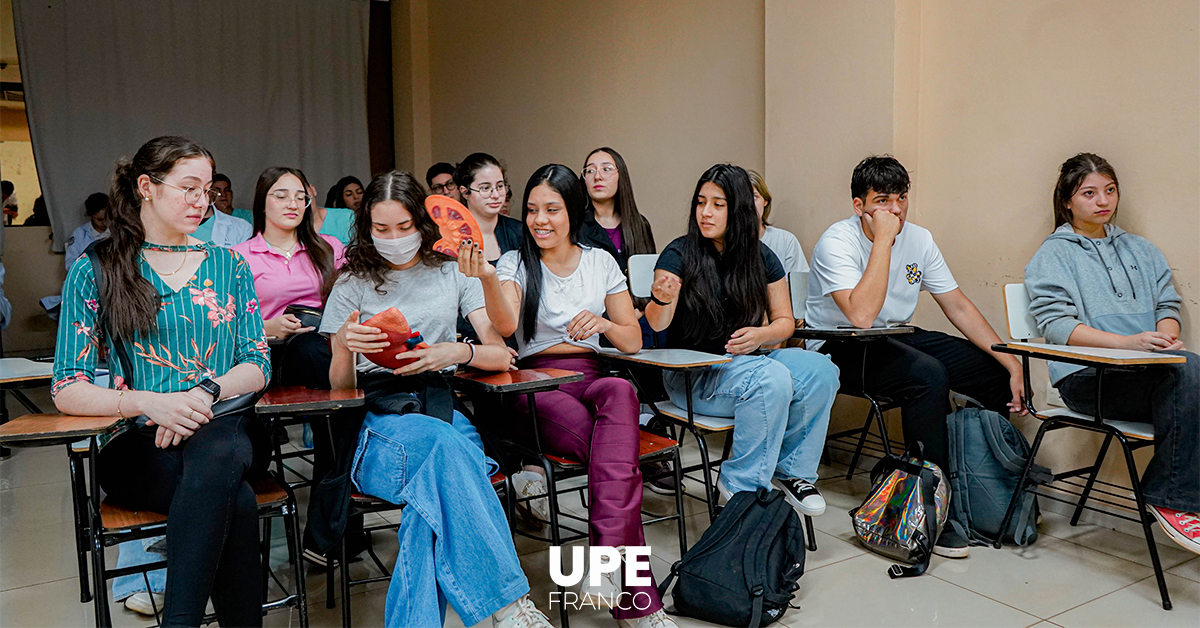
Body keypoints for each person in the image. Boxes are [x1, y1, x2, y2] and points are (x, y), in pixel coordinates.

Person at [52, 135, 271, 627]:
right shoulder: (99, 268)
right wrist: (150, 403)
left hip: (225, 423)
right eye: (188, 188)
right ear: (147, 187)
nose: (202, 201)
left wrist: (201, 394)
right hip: (139, 442)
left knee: (216, 452)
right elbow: (67, 386)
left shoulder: (228, 263)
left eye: (208, 190)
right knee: (231, 498)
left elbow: (257, 361)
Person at [319, 169, 551, 627]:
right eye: (381, 229)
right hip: (377, 418)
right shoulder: (352, 284)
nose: (394, 238)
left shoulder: (451, 272)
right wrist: (345, 345)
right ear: (366, 229)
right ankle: (509, 605)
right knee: (449, 453)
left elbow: (498, 349)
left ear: (421, 224)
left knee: (430, 503)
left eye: (404, 227)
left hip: (439, 402)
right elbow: (340, 389)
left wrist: (455, 350)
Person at [461, 164, 676, 628]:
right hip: (535, 382)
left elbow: (632, 342)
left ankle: (604, 568)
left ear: (572, 211)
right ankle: (638, 605)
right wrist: (486, 280)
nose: (540, 220)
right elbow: (504, 328)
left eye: (552, 209)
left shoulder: (600, 261)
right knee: (616, 458)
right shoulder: (516, 263)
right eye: (533, 209)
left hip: (592, 371)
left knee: (620, 391)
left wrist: (601, 324)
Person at [805, 155, 1026, 558]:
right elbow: (861, 315)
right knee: (928, 375)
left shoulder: (920, 239)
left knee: (990, 370)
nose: (895, 210)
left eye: (901, 199)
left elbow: (956, 304)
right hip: (840, 344)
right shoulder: (835, 241)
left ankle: (983, 493)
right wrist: (884, 240)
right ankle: (930, 512)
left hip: (896, 335)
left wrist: (1010, 361)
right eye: (883, 201)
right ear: (859, 206)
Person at [645, 163, 840, 520]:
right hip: (693, 376)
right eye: (701, 202)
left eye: (718, 204)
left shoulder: (761, 256)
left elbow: (784, 323)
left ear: (739, 210)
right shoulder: (679, 253)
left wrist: (761, 335)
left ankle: (791, 470)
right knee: (771, 379)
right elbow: (657, 324)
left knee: (821, 370)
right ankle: (741, 488)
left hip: (749, 365)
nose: (705, 212)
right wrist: (660, 297)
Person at [1025, 153, 1198, 554]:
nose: (1103, 200)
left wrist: (1165, 339)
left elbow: (1166, 308)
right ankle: (1171, 499)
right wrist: (1129, 344)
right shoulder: (1054, 255)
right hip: (1086, 379)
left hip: (1146, 372)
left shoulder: (1142, 250)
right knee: (1190, 374)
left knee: (1189, 371)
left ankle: (1183, 498)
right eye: (1089, 193)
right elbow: (1058, 327)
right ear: (1067, 200)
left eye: (1110, 190)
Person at [231, 168, 343, 345]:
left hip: (326, 346)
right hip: (270, 351)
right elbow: (221, 322)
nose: (293, 204)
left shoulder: (330, 247)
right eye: (281, 196)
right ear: (261, 203)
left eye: (300, 198)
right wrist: (265, 327)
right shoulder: (237, 257)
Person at [579, 147, 656, 273]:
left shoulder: (639, 224)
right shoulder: (576, 225)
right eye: (590, 171)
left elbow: (647, 276)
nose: (597, 176)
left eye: (606, 169)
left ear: (621, 176)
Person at [455, 153, 522, 262]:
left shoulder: (519, 232)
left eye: (500, 186)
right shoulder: (451, 235)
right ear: (465, 192)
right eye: (485, 188)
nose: (495, 195)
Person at [749, 170, 809, 275]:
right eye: (743, 198)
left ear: (765, 201)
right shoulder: (722, 241)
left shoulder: (786, 241)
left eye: (754, 197)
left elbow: (799, 288)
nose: (749, 203)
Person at [65, 193, 110, 270]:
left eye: (108, 218)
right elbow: (70, 265)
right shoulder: (79, 234)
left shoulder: (118, 231)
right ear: (91, 216)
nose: (105, 222)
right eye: (100, 219)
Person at [305, 182, 356, 246]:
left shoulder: (346, 217)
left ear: (312, 189)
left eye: (302, 190)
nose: (301, 197)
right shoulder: (291, 229)